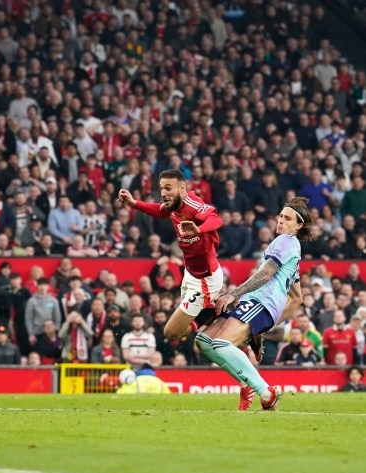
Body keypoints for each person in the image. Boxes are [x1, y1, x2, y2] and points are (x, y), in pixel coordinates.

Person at [196, 197, 313, 411]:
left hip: (260, 303)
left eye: (287, 218)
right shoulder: (293, 253)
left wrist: (233, 294)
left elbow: (266, 273)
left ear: (299, 226)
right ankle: (246, 383)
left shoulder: (286, 241)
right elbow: (297, 299)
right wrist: (268, 325)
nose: (281, 221)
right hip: (257, 307)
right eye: (280, 216)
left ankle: (267, 393)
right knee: (203, 340)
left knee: (222, 344)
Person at [118, 168, 223, 344]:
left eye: (168, 188)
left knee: (173, 333)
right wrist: (134, 203)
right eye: (161, 188)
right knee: (180, 326)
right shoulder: (173, 205)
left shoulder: (193, 205)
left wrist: (199, 228)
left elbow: (216, 219)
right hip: (191, 274)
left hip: (206, 278)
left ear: (182, 189)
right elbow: (160, 211)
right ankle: (211, 309)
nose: (163, 193)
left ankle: (214, 313)